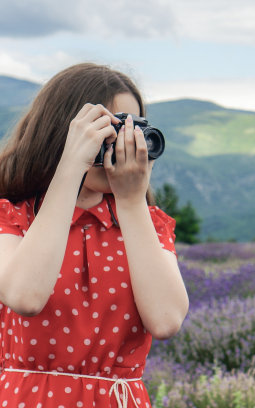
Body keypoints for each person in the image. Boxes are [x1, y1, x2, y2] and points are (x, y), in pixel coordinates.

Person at [0, 63, 189, 407]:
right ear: (63, 131)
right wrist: (71, 167)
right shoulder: (12, 218)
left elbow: (166, 320)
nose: (123, 144)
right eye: (110, 129)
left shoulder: (146, 224)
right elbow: (25, 297)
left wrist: (132, 202)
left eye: (134, 130)